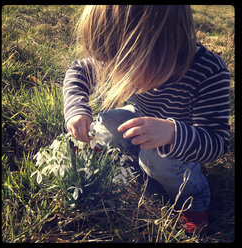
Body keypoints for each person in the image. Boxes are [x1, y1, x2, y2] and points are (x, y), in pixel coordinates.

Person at [63, 5, 230, 234]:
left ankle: (194, 202)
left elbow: (218, 141)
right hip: (141, 115)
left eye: (126, 67)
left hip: (183, 141)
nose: (115, 72)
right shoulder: (126, 57)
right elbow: (78, 71)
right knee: (108, 121)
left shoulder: (208, 71)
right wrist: (76, 109)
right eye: (111, 63)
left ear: (174, 42)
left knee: (158, 159)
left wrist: (172, 133)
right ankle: (109, 152)